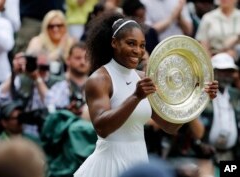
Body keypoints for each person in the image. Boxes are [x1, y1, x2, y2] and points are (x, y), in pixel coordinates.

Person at [73, 11, 218, 177]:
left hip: (140, 161)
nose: (138, 50)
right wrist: (136, 97)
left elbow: (169, 127)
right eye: (131, 43)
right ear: (114, 43)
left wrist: (197, 97)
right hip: (109, 164)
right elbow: (102, 128)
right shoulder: (100, 79)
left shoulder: (143, 77)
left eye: (142, 45)